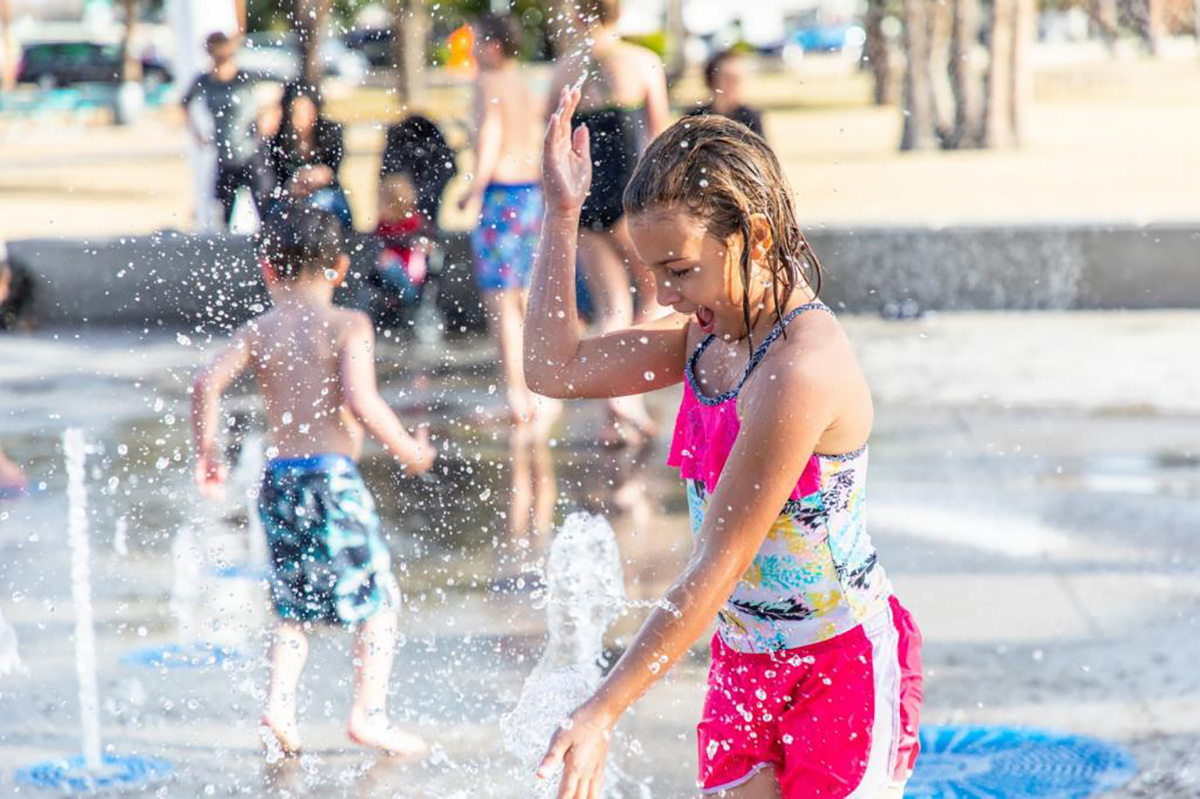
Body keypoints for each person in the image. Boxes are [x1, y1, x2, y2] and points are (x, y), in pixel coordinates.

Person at [525, 88, 923, 799]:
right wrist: (561, 215)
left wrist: (602, 708)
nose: (668, 293)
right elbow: (552, 368)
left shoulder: (799, 368)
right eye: (655, 273)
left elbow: (717, 562)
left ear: (756, 237)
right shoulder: (706, 337)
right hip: (743, 659)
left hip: (841, 665)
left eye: (680, 270)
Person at [190, 208, 436, 758]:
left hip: (279, 481)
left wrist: (209, 456)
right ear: (341, 267)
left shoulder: (258, 331)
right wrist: (409, 450)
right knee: (378, 600)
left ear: (267, 269)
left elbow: (206, 382)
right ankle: (369, 715)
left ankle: (279, 710)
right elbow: (361, 400)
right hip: (332, 480)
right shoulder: (349, 325)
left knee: (293, 607)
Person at [545, 0, 670, 444]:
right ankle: (627, 393)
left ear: (578, 14)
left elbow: (553, 136)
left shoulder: (565, 70)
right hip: (628, 193)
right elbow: (658, 135)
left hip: (585, 194)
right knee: (658, 292)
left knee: (611, 306)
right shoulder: (641, 62)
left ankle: (611, 416)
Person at [456, 13, 550, 427]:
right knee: (527, 297)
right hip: (532, 196)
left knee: (500, 299)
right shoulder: (527, 85)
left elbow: (491, 133)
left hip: (501, 198)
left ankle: (515, 396)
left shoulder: (488, 83)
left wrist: (473, 188)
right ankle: (541, 391)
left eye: (475, 41)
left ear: (493, 47)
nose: (470, 49)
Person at [181, 32, 273, 228]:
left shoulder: (245, 77)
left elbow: (276, 92)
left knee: (264, 207)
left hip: (251, 152)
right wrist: (197, 134)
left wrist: (267, 119)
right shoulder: (205, 81)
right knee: (223, 214)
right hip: (224, 154)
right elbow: (184, 103)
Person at [268, 82, 352, 230]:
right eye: (292, 112)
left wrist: (316, 177)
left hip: (325, 194)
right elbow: (276, 177)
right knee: (275, 211)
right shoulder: (279, 138)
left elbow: (332, 171)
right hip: (292, 196)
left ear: (314, 110)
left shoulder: (329, 133)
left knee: (320, 202)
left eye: (302, 111)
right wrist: (293, 187)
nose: (297, 119)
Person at [686, 49, 766, 139]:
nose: (734, 85)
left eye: (738, 79)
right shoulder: (695, 118)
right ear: (712, 80)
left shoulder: (750, 119)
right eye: (728, 78)